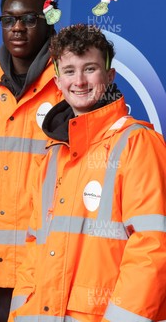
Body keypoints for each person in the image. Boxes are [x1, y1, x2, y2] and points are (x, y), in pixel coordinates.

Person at [10, 24, 166, 321]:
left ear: (109, 76)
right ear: (57, 81)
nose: (79, 81)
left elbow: (153, 248)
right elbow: (34, 247)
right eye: (69, 71)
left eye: (90, 68)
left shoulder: (137, 144)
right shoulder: (53, 153)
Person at [0, 0, 63, 322]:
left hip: (46, 249)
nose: (17, 28)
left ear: (48, 20)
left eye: (29, 19)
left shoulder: (69, 83)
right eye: (9, 19)